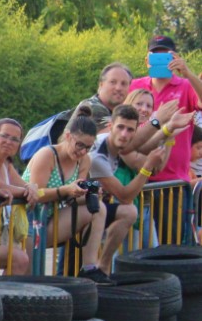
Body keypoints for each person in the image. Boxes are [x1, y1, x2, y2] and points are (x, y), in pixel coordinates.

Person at [128, 35, 202, 244]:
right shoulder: (135, 86)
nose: (162, 60)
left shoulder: (186, 85)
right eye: (156, 55)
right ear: (147, 60)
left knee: (173, 244)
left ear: (175, 57)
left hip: (173, 181)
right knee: (136, 247)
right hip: (136, 177)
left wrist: (187, 72)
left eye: (167, 55)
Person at [23, 116, 109, 281]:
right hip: (29, 220)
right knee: (28, 275)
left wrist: (89, 194)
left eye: (89, 147)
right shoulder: (47, 155)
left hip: (51, 219)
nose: (83, 151)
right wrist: (66, 190)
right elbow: (37, 194)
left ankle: (90, 267)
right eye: (80, 145)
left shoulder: (84, 160)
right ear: (68, 136)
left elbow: (73, 198)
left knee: (99, 208)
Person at [89, 104, 168, 272]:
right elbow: (125, 197)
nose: (124, 134)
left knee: (129, 212)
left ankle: (102, 267)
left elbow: (142, 144)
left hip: (92, 205)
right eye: (120, 127)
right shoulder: (98, 157)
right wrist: (147, 166)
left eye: (130, 130)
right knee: (72, 266)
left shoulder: (117, 144)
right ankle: (92, 272)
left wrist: (168, 129)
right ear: (110, 126)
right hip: (68, 207)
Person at [0, 118, 36, 278]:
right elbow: (1, 186)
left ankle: (0, 299)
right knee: (20, 259)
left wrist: (31, 188)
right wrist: (28, 192)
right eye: (4, 136)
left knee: (22, 258)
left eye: (14, 139)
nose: (9, 142)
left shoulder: (7, 163)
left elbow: (23, 184)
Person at [73, 63, 133, 131]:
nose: (118, 88)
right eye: (113, 82)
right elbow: (119, 138)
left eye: (124, 84)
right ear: (101, 85)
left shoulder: (117, 112)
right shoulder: (94, 108)